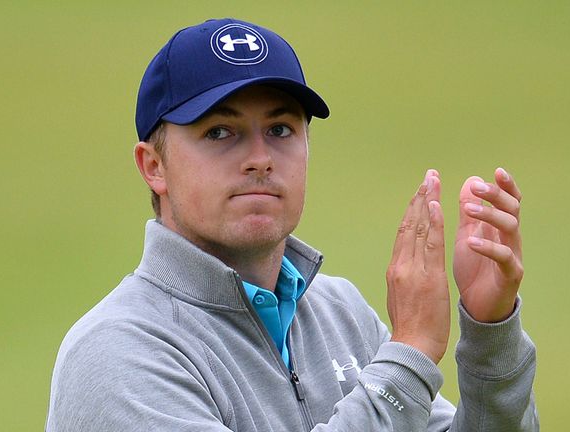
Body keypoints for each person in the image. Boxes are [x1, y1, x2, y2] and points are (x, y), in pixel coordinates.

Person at [46, 18, 537, 431]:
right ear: (154, 166)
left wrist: (490, 332)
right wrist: (406, 356)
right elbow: (399, 383)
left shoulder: (339, 312)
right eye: (220, 132)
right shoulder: (117, 353)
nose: (259, 158)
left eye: (280, 129)